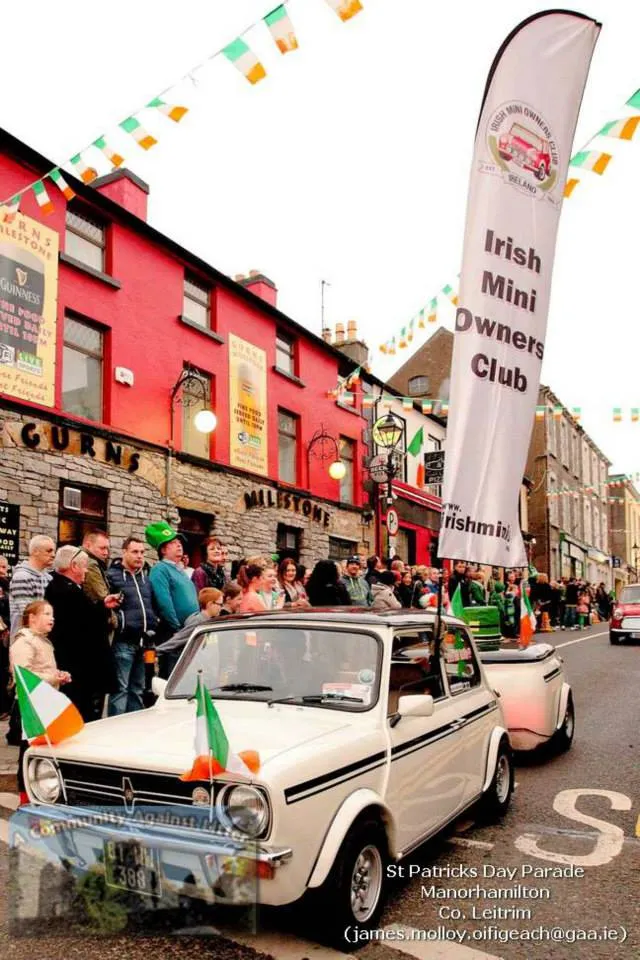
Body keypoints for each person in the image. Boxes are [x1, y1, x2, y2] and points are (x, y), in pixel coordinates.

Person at [10, 600, 71, 798]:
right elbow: (23, 675)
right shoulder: (23, 642)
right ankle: (26, 797)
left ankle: (43, 793)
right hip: (30, 705)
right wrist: (54, 677)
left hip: (44, 703)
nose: (51, 618)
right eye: (46, 614)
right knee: (29, 753)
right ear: (32, 618)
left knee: (44, 752)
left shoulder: (42, 640)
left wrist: (58, 675)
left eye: (52, 614)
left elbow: (42, 670)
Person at [46, 547, 115, 722]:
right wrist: (102, 613)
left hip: (79, 667)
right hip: (79, 668)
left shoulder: (65, 588)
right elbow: (84, 625)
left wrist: (102, 605)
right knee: (82, 715)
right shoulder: (65, 591)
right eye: (84, 566)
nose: (86, 571)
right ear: (74, 566)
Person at [107, 536, 159, 716]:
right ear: (124, 552)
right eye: (135, 552)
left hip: (144, 642)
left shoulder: (145, 578)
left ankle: (132, 730)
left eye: (142, 552)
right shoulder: (112, 576)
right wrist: (121, 623)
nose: (139, 556)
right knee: (120, 689)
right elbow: (108, 607)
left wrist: (154, 622)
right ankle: (115, 728)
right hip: (124, 641)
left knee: (138, 688)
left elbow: (151, 604)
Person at [146, 522, 199, 644]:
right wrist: (176, 627)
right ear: (163, 550)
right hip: (174, 633)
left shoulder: (180, 569)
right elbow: (164, 602)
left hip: (189, 630)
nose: (179, 546)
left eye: (179, 543)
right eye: (173, 543)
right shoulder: (160, 569)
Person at [155, 587, 223, 672]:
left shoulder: (210, 621)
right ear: (209, 604)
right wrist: (155, 651)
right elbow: (178, 640)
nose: (221, 607)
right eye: (220, 604)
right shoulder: (198, 621)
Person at [9, 535, 55, 637]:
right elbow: (28, 614)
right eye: (49, 551)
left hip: (43, 638)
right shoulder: (22, 576)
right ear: (35, 552)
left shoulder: (49, 578)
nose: (53, 555)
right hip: (24, 639)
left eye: (53, 551)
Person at [81, 530, 122, 641]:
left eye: (107, 549)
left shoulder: (92, 563)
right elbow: (102, 595)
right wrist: (114, 620)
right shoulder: (90, 564)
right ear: (88, 545)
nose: (106, 553)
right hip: (95, 624)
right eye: (102, 548)